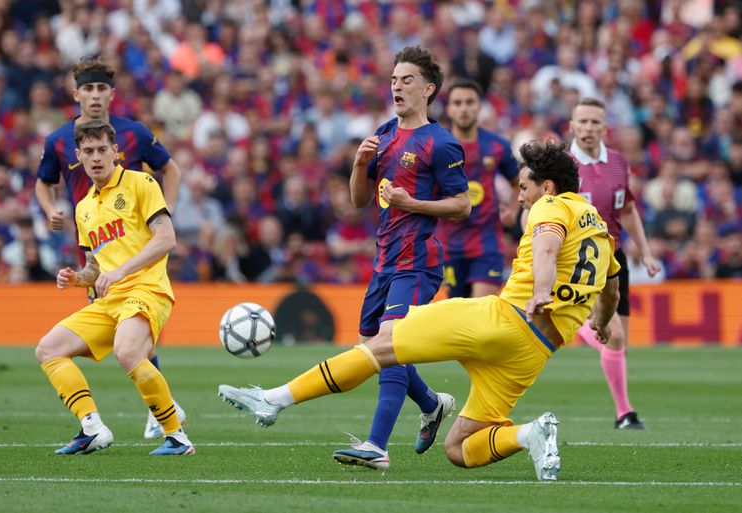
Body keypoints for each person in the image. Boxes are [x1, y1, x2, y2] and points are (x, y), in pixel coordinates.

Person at [218, 140, 621, 481]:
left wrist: (541, 291)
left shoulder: (549, 206)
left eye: (524, 187)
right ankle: (530, 434)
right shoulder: (601, 231)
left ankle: (275, 400)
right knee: (458, 448)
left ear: (547, 186)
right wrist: (601, 324)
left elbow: (547, 247)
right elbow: (612, 292)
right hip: (533, 353)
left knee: (381, 344)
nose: (520, 196)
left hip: (503, 320)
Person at [260, 46, 471, 471]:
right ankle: (431, 405)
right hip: (384, 260)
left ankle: (377, 445)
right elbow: (359, 201)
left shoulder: (442, 143)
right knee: (372, 347)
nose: (397, 86)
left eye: (407, 80)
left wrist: (412, 203)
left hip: (418, 261)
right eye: (393, 80)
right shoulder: (384, 135)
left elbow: (462, 205)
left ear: (428, 89)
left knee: (389, 343)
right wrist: (359, 165)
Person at [34, 57, 184, 439]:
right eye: (89, 88)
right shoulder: (58, 142)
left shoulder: (135, 135)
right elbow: (43, 183)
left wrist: (163, 212)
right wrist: (51, 213)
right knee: (108, 340)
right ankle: (106, 423)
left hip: (136, 252)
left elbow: (171, 169)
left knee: (130, 342)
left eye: (102, 88)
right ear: (77, 94)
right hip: (97, 246)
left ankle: (165, 419)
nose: (96, 95)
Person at [568, 98, 662, 430]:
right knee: (614, 336)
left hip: (615, 256)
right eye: (583, 121)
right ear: (572, 126)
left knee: (620, 343)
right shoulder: (564, 166)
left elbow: (628, 209)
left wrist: (646, 252)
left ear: (605, 127)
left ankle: (577, 324)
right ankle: (625, 413)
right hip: (580, 258)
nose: (588, 128)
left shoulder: (619, 163)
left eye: (595, 122)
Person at [438, 79, 519, 298]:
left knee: (481, 310)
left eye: (469, 102)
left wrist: (512, 210)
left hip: (487, 242)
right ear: (449, 109)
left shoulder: (497, 145)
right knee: (459, 312)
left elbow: (517, 182)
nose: (464, 108)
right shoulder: (437, 146)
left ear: (479, 107)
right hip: (450, 244)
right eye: (457, 103)